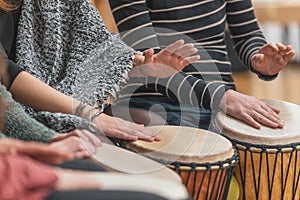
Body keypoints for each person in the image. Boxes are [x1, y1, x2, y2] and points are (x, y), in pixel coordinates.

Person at [0, 0, 200, 142]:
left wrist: (141, 63)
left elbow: (93, 44)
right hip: (12, 114)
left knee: (165, 123)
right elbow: (8, 76)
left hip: (69, 102)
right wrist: (94, 117)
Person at [108, 0, 296, 130]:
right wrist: (223, 98)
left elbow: (247, 33)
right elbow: (149, 66)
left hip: (221, 100)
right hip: (157, 105)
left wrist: (258, 59)